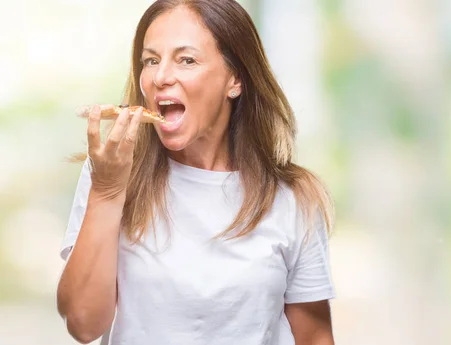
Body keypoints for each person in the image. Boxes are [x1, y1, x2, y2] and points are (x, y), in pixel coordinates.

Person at [56, 1, 336, 344]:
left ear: (235, 79)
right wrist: (107, 192)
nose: (160, 77)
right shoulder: (110, 171)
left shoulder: (293, 198)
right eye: (151, 60)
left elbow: (315, 337)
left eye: (186, 60)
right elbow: (83, 325)